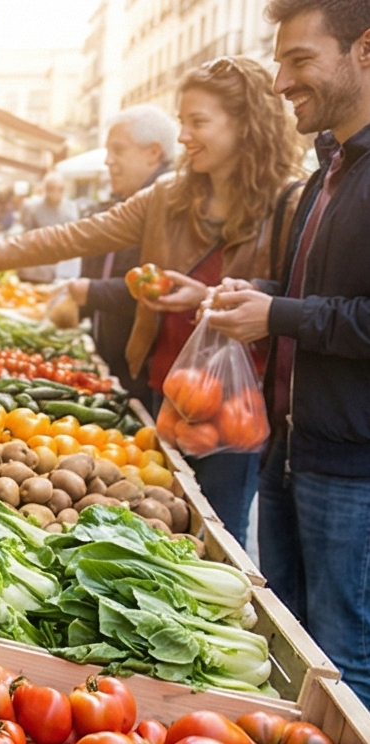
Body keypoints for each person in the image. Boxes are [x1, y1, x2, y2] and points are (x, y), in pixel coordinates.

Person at [0, 57, 305, 545]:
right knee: (155, 523)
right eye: (182, 120)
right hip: (161, 392)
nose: (183, 135)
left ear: (247, 124)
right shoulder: (168, 198)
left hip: (233, 411)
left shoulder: (288, 205)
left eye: (198, 122)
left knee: (217, 539)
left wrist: (212, 299)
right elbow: (80, 234)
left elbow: (295, 305)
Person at [203, 0, 370, 703]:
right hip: (289, 451)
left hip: (350, 466)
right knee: (286, 644)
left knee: (340, 655)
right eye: (278, 62)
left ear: (364, 51)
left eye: (298, 60)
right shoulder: (325, 170)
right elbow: (317, 295)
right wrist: (257, 296)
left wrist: (277, 311)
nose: (278, 82)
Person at [64, 105, 180, 394]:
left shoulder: (171, 206)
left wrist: (89, 291)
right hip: (113, 367)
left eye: (118, 150)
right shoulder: (124, 202)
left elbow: (161, 287)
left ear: (153, 153)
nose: (108, 161)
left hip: (144, 379)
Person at [18, 173, 81, 281]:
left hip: (64, 268)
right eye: (51, 188)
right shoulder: (31, 207)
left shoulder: (71, 208)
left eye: (60, 189)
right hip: (36, 268)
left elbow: (74, 235)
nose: (55, 192)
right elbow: (25, 235)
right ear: (45, 189)